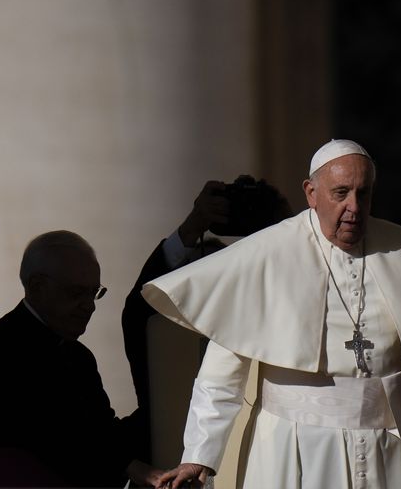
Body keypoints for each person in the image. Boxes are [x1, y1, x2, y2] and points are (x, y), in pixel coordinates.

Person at [141, 139, 401, 489]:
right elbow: (220, 377)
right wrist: (199, 456)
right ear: (311, 192)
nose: (353, 206)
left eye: (362, 194)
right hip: (293, 449)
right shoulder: (266, 255)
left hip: (391, 450)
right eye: (340, 193)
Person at [0, 230, 162, 488]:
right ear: (37, 287)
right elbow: (44, 431)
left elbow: (101, 432)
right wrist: (129, 464)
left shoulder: (79, 356)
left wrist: (164, 413)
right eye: (76, 292)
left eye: (94, 293)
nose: (90, 306)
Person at [121, 177, 292, 463]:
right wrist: (191, 228)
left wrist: (283, 230)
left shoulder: (269, 322)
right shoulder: (157, 331)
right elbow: (141, 306)